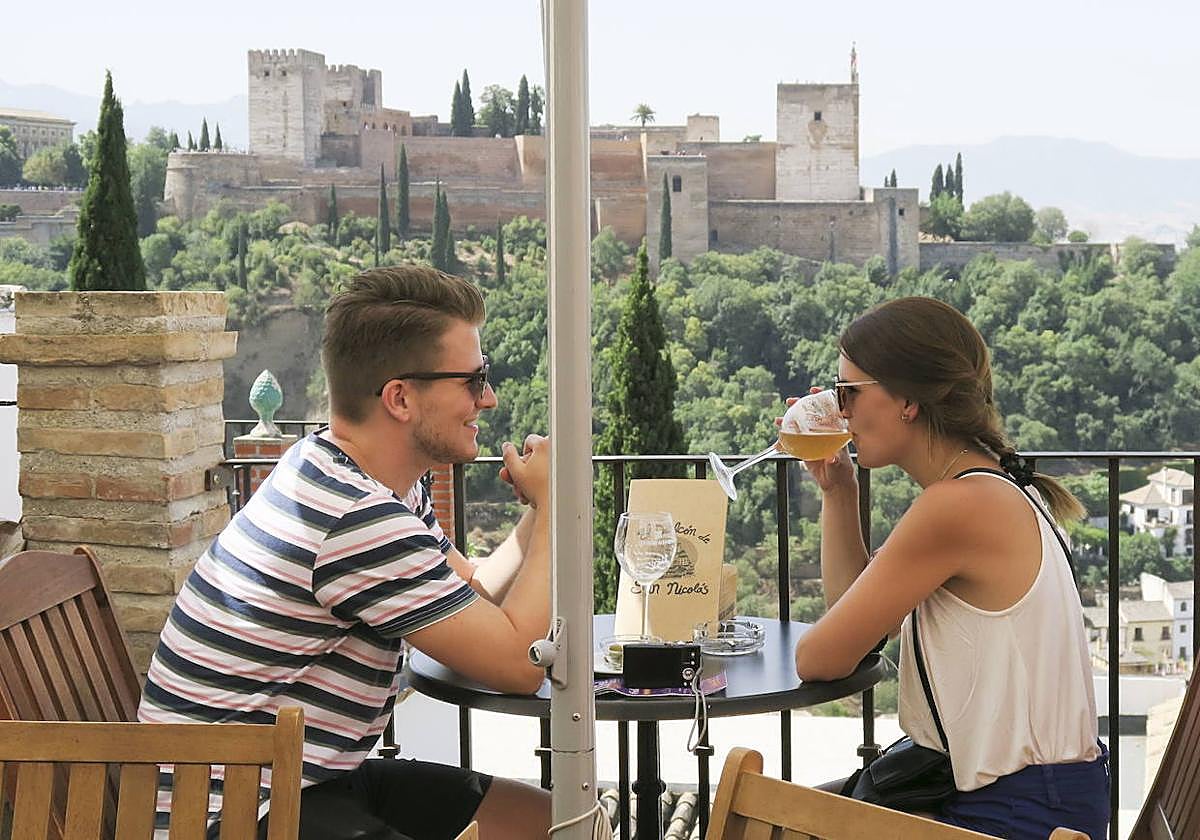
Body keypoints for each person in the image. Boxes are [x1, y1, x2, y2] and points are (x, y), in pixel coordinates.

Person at [138, 264, 552, 840]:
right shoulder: (354, 517)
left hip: (307, 783)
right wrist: (558, 511)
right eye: (472, 379)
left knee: (555, 823)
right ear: (400, 398)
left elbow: (471, 593)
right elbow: (521, 666)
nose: (488, 397)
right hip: (232, 816)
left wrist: (538, 511)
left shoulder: (356, 476)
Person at [793, 296, 1108, 840]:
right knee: (785, 817)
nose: (839, 410)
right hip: (1028, 797)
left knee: (761, 817)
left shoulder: (957, 507)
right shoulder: (991, 487)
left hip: (1014, 814)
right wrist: (838, 490)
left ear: (908, 400)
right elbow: (858, 630)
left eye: (848, 393)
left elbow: (820, 658)